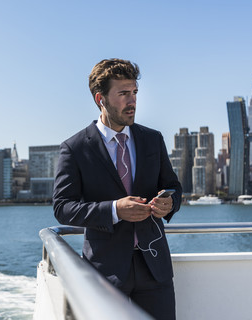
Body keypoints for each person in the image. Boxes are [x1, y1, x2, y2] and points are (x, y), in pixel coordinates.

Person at [53, 58, 182, 320]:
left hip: (155, 269)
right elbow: (62, 207)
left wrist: (169, 203)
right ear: (101, 98)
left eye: (134, 92)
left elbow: (173, 187)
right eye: (123, 93)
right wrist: (114, 210)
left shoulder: (152, 139)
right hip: (105, 273)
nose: (132, 101)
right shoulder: (75, 148)